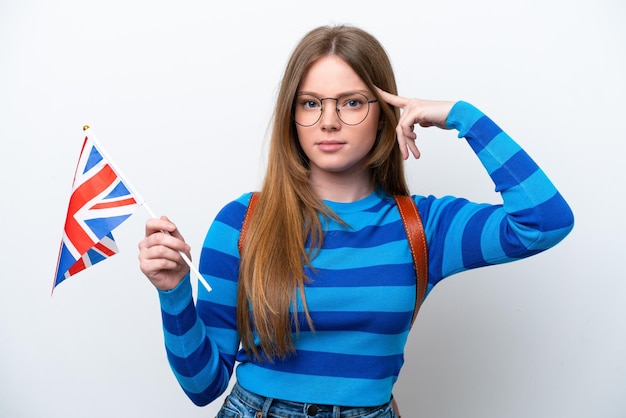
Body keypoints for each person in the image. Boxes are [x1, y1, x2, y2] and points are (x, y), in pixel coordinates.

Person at [138, 24, 574, 418]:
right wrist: (173, 291)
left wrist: (462, 115)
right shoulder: (242, 222)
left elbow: (544, 221)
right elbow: (203, 387)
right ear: (292, 116)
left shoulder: (423, 227)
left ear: (386, 111)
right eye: (311, 103)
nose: (328, 121)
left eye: (351, 103)